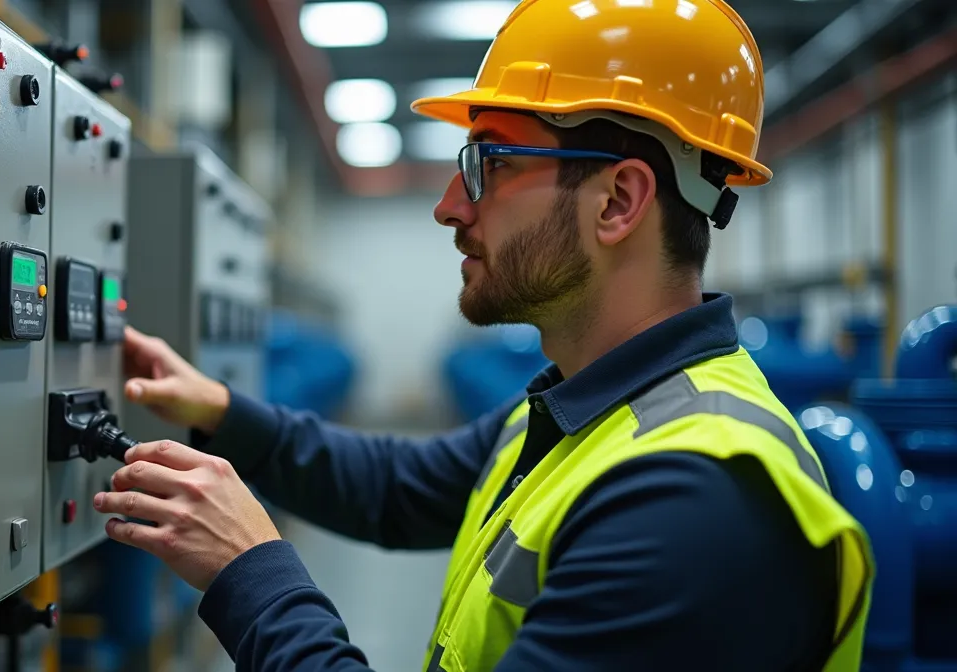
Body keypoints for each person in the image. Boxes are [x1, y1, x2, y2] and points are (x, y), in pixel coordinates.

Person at [90, 1, 875, 670]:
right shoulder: (592, 413)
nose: (449, 208)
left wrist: (253, 574)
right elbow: (394, 488)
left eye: (488, 165)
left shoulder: (693, 503)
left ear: (617, 202)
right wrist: (218, 406)